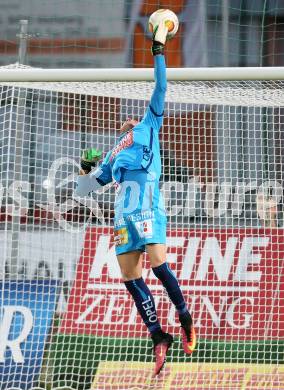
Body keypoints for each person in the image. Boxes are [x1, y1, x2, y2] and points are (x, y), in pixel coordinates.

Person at [75, 21, 196, 376]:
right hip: (123, 217)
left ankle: (184, 314)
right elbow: (84, 189)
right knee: (130, 276)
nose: (126, 119)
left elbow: (161, 85)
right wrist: (85, 166)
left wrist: (158, 50)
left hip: (147, 208)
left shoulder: (150, 121)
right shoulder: (113, 154)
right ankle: (158, 334)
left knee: (158, 265)